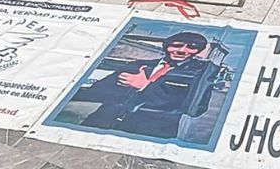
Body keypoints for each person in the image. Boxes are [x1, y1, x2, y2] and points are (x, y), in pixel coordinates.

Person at [76, 31, 214, 139]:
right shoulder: (137, 65)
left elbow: (195, 109)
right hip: (101, 122)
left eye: (192, 47)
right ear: (166, 46)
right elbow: (97, 90)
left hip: (149, 131)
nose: (183, 51)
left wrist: (145, 86)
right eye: (177, 45)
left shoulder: (198, 75)